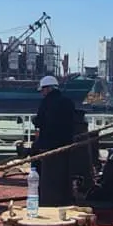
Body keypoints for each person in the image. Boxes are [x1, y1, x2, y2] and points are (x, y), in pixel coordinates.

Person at [32, 74, 76, 205]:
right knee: (63, 173)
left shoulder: (46, 102)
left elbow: (40, 121)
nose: (42, 93)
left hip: (48, 144)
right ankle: (65, 196)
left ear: (48, 89)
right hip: (66, 144)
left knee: (38, 164)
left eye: (43, 90)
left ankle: (44, 196)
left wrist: (35, 120)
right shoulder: (68, 101)